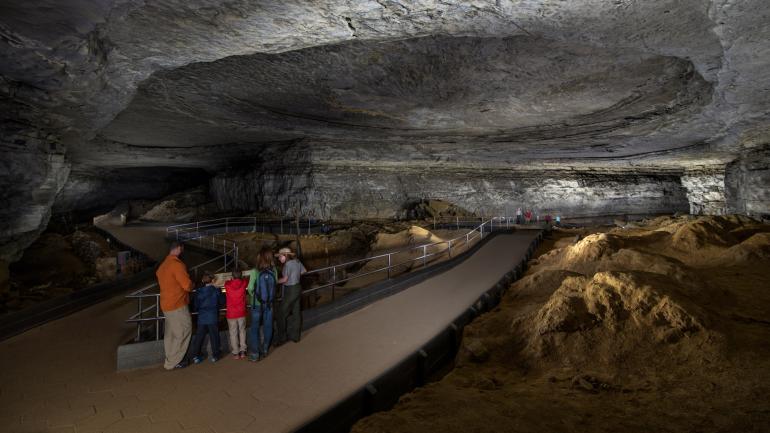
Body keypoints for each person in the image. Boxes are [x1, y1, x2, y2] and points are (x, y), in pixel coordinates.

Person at [156, 241, 194, 370]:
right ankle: (173, 361)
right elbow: (187, 285)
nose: (182, 252)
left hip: (166, 304)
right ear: (178, 248)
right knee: (184, 331)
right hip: (177, 304)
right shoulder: (176, 265)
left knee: (171, 334)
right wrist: (193, 284)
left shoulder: (163, 266)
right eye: (182, 249)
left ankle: (170, 358)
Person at [247, 247, 279, 361]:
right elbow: (275, 286)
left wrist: (254, 297)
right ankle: (265, 349)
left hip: (256, 304)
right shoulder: (274, 270)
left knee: (254, 328)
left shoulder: (255, 271)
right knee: (268, 326)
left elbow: (250, 288)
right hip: (269, 304)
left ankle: (255, 354)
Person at [274, 247, 306, 345]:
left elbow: (285, 280)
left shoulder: (287, 265)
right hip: (297, 287)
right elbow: (304, 271)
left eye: (280, 256)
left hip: (290, 290)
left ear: (286, 255)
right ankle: (296, 336)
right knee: (296, 312)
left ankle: (282, 338)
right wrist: (295, 276)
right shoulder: (297, 262)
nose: (279, 258)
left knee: (280, 314)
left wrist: (274, 281)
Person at [191, 272, 223, 364]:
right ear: (213, 280)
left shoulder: (198, 291)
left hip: (201, 317)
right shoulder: (216, 290)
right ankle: (215, 355)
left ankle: (196, 356)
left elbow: (196, 305)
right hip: (212, 317)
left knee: (199, 337)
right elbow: (221, 301)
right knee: (214, 336)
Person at [224, 269, 249, 359]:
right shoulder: (243, 283)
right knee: (242, 331)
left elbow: (226, 282)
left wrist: (231, 279)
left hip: (231, 313)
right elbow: (246, 280)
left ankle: (236, 352)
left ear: (232, 276)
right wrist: (243, 278)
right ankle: (243, 351)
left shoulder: (227, 284)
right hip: (241, 312)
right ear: (241, 276)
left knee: (233, 332)